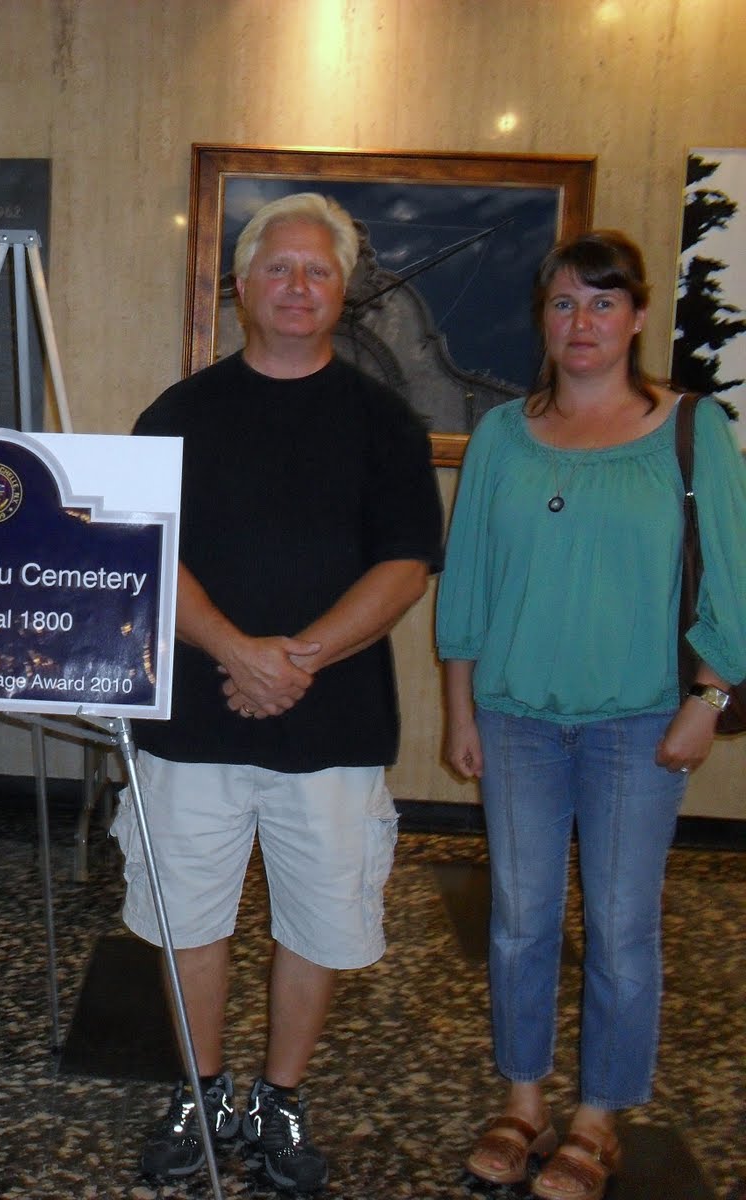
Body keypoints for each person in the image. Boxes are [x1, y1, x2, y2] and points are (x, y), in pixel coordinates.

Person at [117, 192, 444, 1193]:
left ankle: (280, 1099)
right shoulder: (177, 414)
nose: (297, 286)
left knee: (319, 921)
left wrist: (294, 657)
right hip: (192, 717)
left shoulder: (383, 420)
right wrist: (234, 650)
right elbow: (147, 550)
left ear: (342, 292)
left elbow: (404, 564)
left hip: (334, 722)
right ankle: (202, 1089)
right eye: (277, 268)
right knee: (191, 919)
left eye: (317, 271)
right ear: (242, 288)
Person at [438, 230, 746, 1200]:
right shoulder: (499, 436)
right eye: (564, 303)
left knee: (620, 928)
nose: (582, 323)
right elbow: (468, 591)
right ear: (543, 318)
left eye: (603, 302)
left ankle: (597, 1118)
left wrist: (709, 697)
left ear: (639, 316)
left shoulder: (693, 430)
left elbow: (730, 584)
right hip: (516, 717)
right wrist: (460, 711)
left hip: (636, 721)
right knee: (520, 922)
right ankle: (521, 1101)